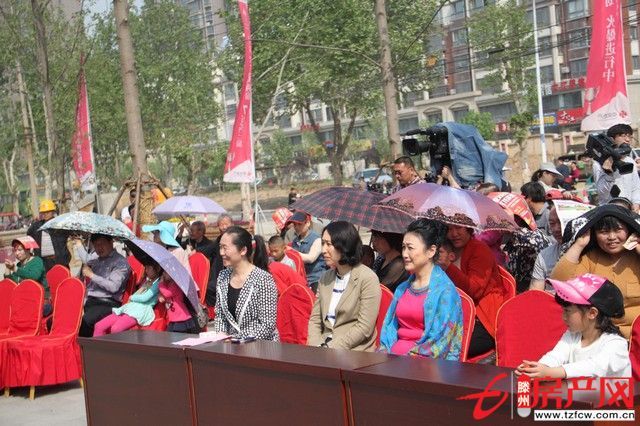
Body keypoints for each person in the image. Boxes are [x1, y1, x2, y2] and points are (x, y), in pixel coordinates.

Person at [550, 204, 640, 338]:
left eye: (618, 230)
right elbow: (559, 283)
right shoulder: (589, 258)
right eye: (604, 232)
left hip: (636, 337)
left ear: (629, 230)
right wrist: (579, 244)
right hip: (598, 337)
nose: (611, 237)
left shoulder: (636, 256)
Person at [516, 274, 630, 379]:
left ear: (592, 313)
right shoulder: (572, 335)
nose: (563, 317)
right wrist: (536, 369)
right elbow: (556, 356)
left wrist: (550, 372)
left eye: (567, 311)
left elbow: (596, 367)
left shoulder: (616, 344)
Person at [379, 219, 462, 359]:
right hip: (392, 360)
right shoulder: (402, 288)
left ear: (431, 251)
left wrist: (405, 359)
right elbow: (388, 330)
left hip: (424, 365)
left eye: (410, 248)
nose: (404, 254)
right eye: (403, 247)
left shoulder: (446, 292)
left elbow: (440, 342)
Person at [307, 221, 381, 351]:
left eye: (329, 244)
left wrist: (331, 347)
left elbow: (364, 327)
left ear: (344, 245)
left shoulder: (367, 278)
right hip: (323, 347)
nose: (323, 250)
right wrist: (315, 346)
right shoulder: (325, 277)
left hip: (354, 350)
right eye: (323, 243)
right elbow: (315, 319)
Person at [438, 225, 509, 358]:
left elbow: (474, 290)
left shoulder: (480, 250)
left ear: (468, 228)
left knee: (447, 348)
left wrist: (448, 266)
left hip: (483, 319)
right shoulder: (445, 249)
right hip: (453, 315)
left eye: (458, 228)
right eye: (449, 229)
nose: (454, 234)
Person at [213, 227, 278, 340]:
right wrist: (221, 336)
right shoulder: (223, 276)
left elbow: (267, 325)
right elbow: (220, 315)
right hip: (231, 345)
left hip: (260, 345)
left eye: (225, 248)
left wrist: (237, 339)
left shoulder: (263, 279)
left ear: (243, 250)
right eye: (220, 247)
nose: (221, 252)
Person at [77, 234, 131, 337]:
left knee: (85, 321)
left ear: (111, 242)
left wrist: (92, 275)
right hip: (90, 301)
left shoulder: (120, 262)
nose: (99, 248)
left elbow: (113, 287)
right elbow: (86, 260)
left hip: (107, 303)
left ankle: (84, 346)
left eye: (102, 244)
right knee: (61, 318)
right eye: (96, 245)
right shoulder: (97, 260)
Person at [93, 262, 162, 336]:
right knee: (99, 326)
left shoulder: (158, 283)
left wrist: (131, 297)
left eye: (149, 268)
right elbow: (136, 295)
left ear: (157, 269)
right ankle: (97, 344)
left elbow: (144, 298)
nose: (146, 270)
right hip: (130, 307)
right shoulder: (147, 282)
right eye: (146, 268)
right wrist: (143, 287)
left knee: (116, 329)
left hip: (140, 311)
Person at [593, 123, 640, 209]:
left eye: (629, 136)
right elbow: (602, 193)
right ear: (611, 139)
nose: (627, 139)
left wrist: (636, 202)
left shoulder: (630, 161)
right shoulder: (598, 163)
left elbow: (636, 186)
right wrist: (609, 174)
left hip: (628, 209)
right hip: (609, 210)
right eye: (623, 136)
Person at [4, 236, 50, 316]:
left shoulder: (37, 261)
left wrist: (14, 268)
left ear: (28, 250)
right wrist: (8, 269)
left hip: (41, 300)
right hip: (25, 300)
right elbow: (13, 283)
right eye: (15, 250)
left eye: (20, 250)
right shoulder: (19, 265)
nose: (17, 253)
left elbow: (33, 276)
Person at [178, 220, 217, 304]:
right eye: (190, 230)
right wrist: (180, 233)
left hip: (204, 277)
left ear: (201, 232)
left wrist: (196, 251)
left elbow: (208, 249)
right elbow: (177, 247)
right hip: (191, 276)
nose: (190, 233)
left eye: (192, 231)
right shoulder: (190, 241)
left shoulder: (209, 244)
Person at [27, 199, 70, 272]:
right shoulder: (36, 226)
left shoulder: (61, 225)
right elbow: (28, 237)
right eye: (43, 212)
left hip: (60, 261)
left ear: (53, 212)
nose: (45, 214)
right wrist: (31, 253)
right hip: (43, 263)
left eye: (48, 212)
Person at [289, 211, 327, 293]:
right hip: (301, 280)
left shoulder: (317, 239)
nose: (296, 227)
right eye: (294, 224)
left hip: (316, 280)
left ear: (308, 223)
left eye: (299, 224)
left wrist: (291, 251)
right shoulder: (295, 240)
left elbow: (310, 258)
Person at [530, 205, 563, 291]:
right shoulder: (543, 256)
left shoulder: (592, 253)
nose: (556, 229)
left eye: (561, 222)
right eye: (552, 224)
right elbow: (535, 293)